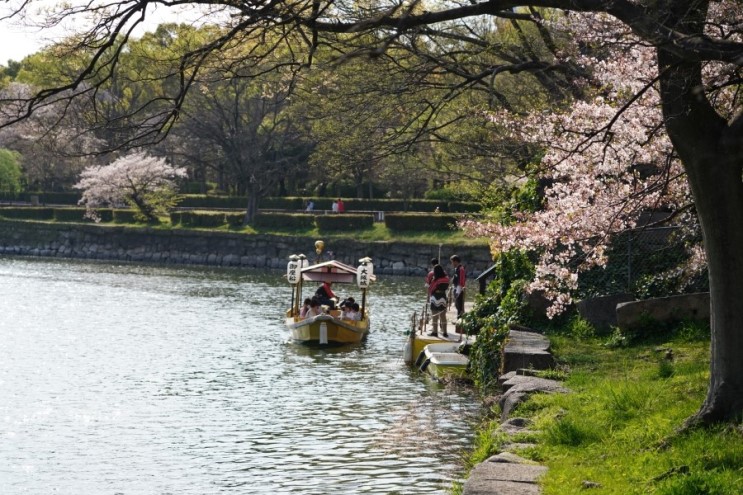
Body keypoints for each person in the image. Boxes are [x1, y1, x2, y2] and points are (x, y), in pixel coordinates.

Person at [428, 264, 450, 337]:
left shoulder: (436, 280)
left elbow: (431, 288)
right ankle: (445, 332)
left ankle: (435, 332)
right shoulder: (446, 279)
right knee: (443, 316)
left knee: (434, 315)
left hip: (435, 297)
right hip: (443, 297)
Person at [450, 254, 466, 319]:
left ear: (456, 261)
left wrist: (458, 291)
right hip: (456, 288)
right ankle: (459, 317)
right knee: (457, 305)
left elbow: (461, 280)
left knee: (459, 305)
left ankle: (459, 318)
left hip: (458, 289)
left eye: (452, 262)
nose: (452, 264)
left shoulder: (461, 269)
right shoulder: (457, 269)